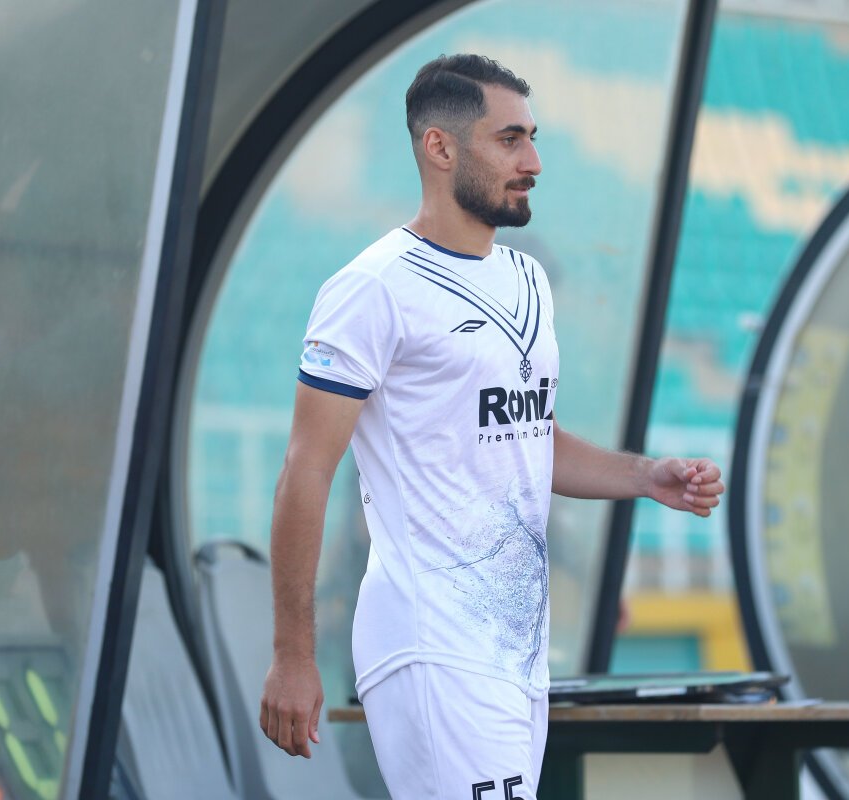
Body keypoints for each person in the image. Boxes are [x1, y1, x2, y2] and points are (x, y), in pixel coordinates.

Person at [257, 54, 724, 798]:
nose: (533, 162)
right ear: (439, 147)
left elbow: (529, 439)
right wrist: (292, 655)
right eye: (510, 140)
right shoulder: (372, 289)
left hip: (515, 655)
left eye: (532, 139)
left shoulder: (527, 279)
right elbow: (305, 471)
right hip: (431, 647)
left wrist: (644, 476)